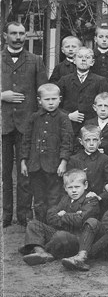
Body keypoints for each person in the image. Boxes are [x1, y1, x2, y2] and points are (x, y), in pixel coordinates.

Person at [2, 21, 48, 227]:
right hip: (3, 124)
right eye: (14, 33)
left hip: (26, 125)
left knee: (25, 173)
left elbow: (44, 92)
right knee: (3, 172)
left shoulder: (36, 61)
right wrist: (2, 95)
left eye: (22, 33)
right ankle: (5, 214)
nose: (18, 37)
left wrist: (37, 122)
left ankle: (23, 214)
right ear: (5, 36)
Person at [19, 169, 99, 266]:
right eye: (70, 187)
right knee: (33, 224)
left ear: (85, 185)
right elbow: (50, 215)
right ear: (65, 188)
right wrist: (70, 216)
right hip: (62, 233)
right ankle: (40, 252)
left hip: (78, 240)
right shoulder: (66, 199)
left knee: (60, 236)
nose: (74, 190)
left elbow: (80, 220)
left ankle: (39, 248)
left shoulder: (91, 200)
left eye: (77, 187)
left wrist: (63, 215)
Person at [20, 83, 73, 222]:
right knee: (38, 199)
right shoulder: (34, 117)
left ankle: (52, 225)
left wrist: (63, 162)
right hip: (35, 166)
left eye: (54, 99)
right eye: (47, 99)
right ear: (39, 101)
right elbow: (26, 140)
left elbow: (67, 141)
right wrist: (23, 161)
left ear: (60, 99)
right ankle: (39, 225)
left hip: (54, 166)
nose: (51, 102)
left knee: (54, 198)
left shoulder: (63, 118)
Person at [57, 47, 108, 134]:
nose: (83, 60)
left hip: (91, 126)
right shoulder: (64, 80)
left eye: (87, 57)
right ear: (74, 60)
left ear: (92, 62)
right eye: (80, 57)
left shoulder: (100, 81)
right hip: (69, 125)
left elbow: (104, 104)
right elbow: (57, 104)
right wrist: (68, 115)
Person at [67, 125, 108, 214]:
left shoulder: (106, 160)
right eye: (87, 140)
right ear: (81, 141)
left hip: (99, 202)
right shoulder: (74, 160)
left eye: (95, 140)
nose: (91, 143)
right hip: (78, 202)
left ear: (100, 141)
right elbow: (69, 183)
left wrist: (99, 197)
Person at [84, 92, 108, 158]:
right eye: (100, 106)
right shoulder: (89, 123)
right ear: (94, 107)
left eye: (106, 106)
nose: (103, 109)